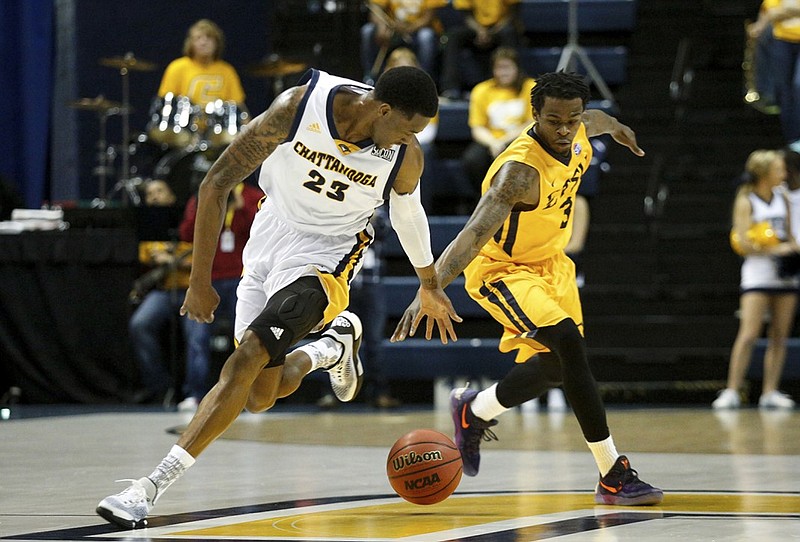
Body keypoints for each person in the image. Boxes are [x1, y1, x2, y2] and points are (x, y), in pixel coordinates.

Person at [96, 66, 459, 528]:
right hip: (269, 236)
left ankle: (146, 490)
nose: (413, 139)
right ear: (383, 109)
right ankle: (331, 347)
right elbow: (216, 184)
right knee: (260, 397)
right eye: (409, 128)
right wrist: (198, 281)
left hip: (327, 257)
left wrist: (429, 284)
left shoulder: (404, 157)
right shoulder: (298, 107)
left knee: (245, 358)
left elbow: (409, 217)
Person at [391, 72, 663, 505]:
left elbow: (595, 120)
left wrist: (618, 128)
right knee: (570, 347)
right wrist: (430, 286)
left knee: (556, 368)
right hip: (504, 270)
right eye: (553, 120)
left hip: (552, 265)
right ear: (534, 114)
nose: (563, 129)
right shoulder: (518, 172)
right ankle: (612, 473)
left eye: (570, 120)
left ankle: (474, 410)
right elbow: (472, 234)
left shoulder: (578, 128)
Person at [713, 149, 798, 410]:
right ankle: (732, 390)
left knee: (780, 335)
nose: (784, 173)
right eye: (779, 169)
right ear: (764, 173)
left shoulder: (783, 197)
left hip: (784, 275)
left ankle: (770, 391)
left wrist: (792, 249)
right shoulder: (747, 200)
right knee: (749, 333)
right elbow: (742, 243)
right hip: (757, 273)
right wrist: (773, 248)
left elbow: (790, 233)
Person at [174, 181, 263, 412]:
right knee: (196, 338)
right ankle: (195, 394)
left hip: (243, 279)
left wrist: (241, 208)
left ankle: (249, 393)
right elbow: (186, 233)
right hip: (208, 279)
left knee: (248, 338)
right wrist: (206, 207)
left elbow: (263, 232)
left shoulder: (254, 196)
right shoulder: (204, 193)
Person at [128, 179, 192, 405]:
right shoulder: (148, 223)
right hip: (164, 291)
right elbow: (145, 253)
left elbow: (202, 256)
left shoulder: (189, 217)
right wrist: (173, 255)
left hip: (192, 291)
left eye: (160, 191)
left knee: (196, 334)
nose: (154, 196)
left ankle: (193, 393)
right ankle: (160, 388)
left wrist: (173, 257)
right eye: (150, 193)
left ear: (172, 197)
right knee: (140, 324)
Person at [462, 47, 535, 196]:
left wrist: (504, 141)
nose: (503, 72)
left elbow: (531, 123)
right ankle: (483, 199)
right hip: (491, 140)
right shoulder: (482, 90)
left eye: (507, 67)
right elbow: (477, 128)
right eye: (499, 68)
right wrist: (493, 143)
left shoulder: (530, 87)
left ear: (517, 68)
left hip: (520, 139)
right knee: (473, 159)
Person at [439, 0, 523, 100]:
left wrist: (492, 31)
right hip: (475, 27)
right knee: (453, 36)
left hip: (501, 27)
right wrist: (480, 30)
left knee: (508, 33)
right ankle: (450, 88)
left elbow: (512, 14)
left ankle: (512, 85)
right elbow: (466, 15)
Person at [747, 2, 800, 144]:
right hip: (781, 39)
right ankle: (793, 141)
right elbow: (770, 10)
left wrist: (784, 11)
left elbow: (779, 12)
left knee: (798, 85)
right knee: (784, 91)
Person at [360, 0, 447, 84]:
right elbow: (375, 8)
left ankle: (424, 79)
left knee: (426, 36)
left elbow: (429, 17)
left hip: (418, 30)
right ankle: (371, 77)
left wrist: (408, 28)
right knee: (368, 30)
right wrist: (381, 25)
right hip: (392, 28)